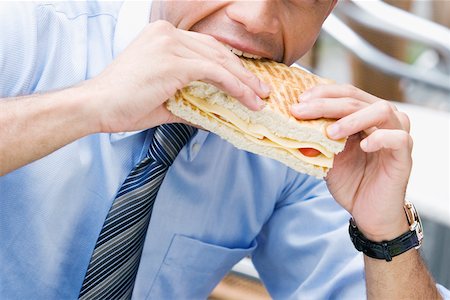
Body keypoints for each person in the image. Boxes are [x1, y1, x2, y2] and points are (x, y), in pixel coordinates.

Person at [0, 1, 448, 299]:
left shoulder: (301, 148)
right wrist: (87, 105)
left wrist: (386, 233)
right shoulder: (27, 31)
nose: (256, 17)